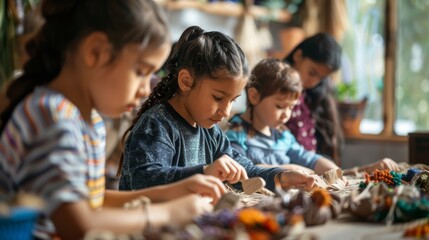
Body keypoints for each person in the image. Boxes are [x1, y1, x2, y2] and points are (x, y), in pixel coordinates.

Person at [0, 1, 228, 239]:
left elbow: (92, 201)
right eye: (141, 71)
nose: (145, 89)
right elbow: (79, 225)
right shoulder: (51, 116)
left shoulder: (88, 120)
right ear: (96, 52)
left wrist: (175, 191)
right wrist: (168, 213)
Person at [117, 25, 316, 193]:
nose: (226, 112)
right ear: (186, 81)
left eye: (232, 101)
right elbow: (143, 181)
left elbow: (244, 171)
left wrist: (282, 177)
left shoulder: (211, 132)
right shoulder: (157, 125)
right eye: (218, 98)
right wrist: (204, 172)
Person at [226, 58, 399, 176]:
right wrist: (289, 169)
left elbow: (309, 159)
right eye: (280, 106)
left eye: (291, 108)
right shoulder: (237, 132)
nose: (286, 114)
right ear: (254, 96)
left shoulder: (282, 134)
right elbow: (242, 168)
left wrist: (334, 173)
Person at [283, 32, 344, 162]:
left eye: (321, 78)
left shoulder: (315, 97)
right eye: (312, 73)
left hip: (312, 170)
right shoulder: (272, 86)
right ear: (298, 55)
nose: (313, 82)